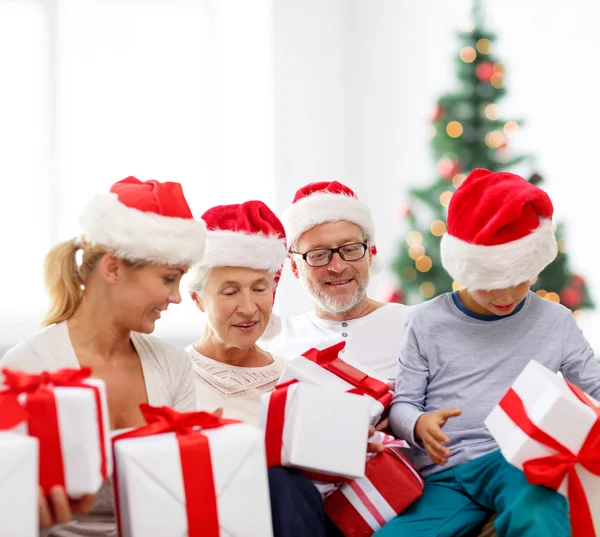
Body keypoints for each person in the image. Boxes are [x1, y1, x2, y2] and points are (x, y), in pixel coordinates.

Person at [375, 169, 600, 537]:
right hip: (444, 475)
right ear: (464, 268)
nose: (507, 296)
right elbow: (403, 405)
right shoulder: (426, 322)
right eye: (490, 285)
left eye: (522, 280)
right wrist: (419, 424)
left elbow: (594, 391)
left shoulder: (555, 322)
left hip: (517, 463)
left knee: (539, 511)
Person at [0, 177, 207, 536]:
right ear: (112, 269)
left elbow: (183, 491)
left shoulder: (173, 365)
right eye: (168, 279)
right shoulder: (27, 368)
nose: (176, 297)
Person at [186, 200, 384, 537]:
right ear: (198, 300)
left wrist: (347, 442)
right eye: (230, 291)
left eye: (260, 289)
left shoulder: (296, 380)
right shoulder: (172, 374)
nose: (248, 309)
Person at [260, 181, 409, 382]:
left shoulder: (413, 326)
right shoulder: (275, 344)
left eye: (350, 249)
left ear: (370, 254)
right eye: (318, 254)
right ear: (295, 267)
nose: (337, 267)